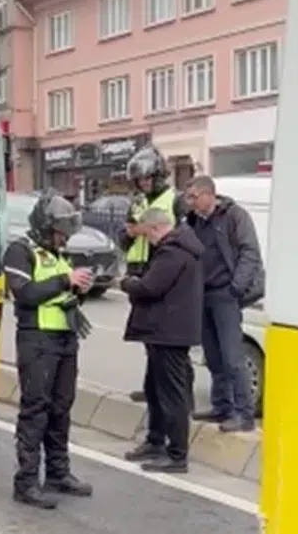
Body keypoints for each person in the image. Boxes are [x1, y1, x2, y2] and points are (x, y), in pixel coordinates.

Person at [2, 191, 96, 509]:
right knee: (35, 410)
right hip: (37, 341)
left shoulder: (58, 255)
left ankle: (58, 473)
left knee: (61, 409)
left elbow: (61, 293)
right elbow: (25, 294)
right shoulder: (19, 251)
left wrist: (78, 290)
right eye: (59, 233)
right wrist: (64, 280)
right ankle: (26, 482)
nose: (63, 239)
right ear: (44, 227)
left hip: (65, 340)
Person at [119, 207, 203, 472]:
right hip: (163, 331)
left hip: (169, 332)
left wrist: (128, 283)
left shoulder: (173, 252)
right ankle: (155, 441)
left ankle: (177, 455)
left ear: (155, 228)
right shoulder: (180, 248)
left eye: (147, 234)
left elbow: (150, 287)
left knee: (171, 395)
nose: (147, 240)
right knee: (154, 389)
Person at [183, 176, 264, 432]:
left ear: (209, 195)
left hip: (225, 294)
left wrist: (236, 288)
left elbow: (250, 252)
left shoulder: (234, 216)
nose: (191, 203)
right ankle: (222, 407)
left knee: (232, 357)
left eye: (194, 197)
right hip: (203, 295)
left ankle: (244, 414)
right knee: (214, 356)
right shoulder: (195, 221)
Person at [120, 144, 186, 403]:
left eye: (146, 178)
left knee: (168, 340)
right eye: (139, 180)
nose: (143, 184)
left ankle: (180, 394)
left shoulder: (175, 200)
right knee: (150, 338)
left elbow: (185, 235)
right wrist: (130, 233)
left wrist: (155, 232)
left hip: (163, 269)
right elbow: (124, 237)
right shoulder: (136, 202)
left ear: (158, 176)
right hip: (139, 270)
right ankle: (152, 389)